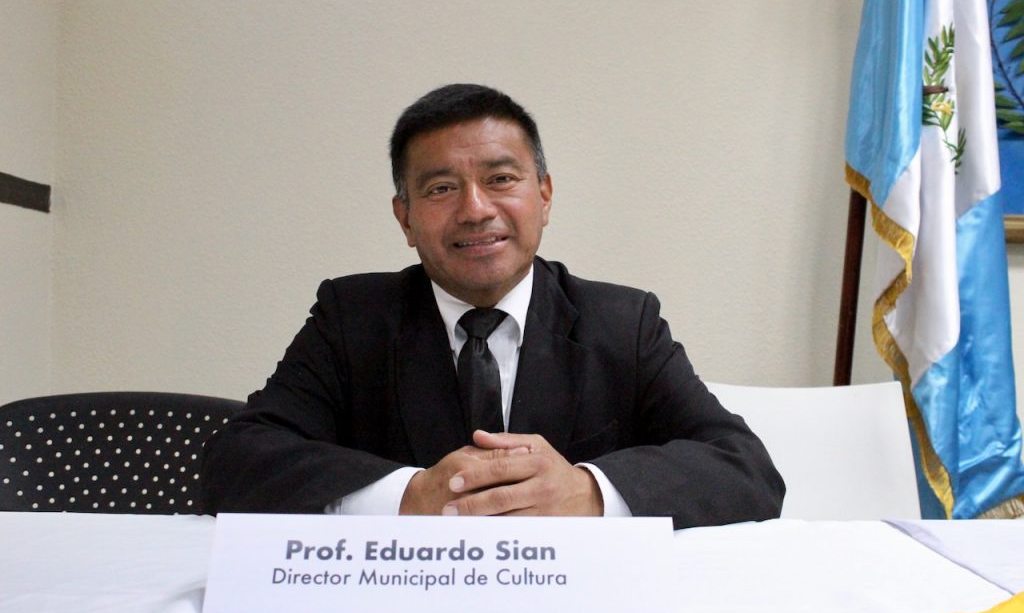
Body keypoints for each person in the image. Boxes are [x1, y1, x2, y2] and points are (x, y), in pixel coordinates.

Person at [201, 84, 784, 529]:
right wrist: (409, 496)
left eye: (501, 178)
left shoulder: (622, 323)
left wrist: (588, 492)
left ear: (544, 196)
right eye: (441, 188)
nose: (476, 210)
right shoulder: (353, 318)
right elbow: (236, 463)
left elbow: (745, 469)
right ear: (405, 218)